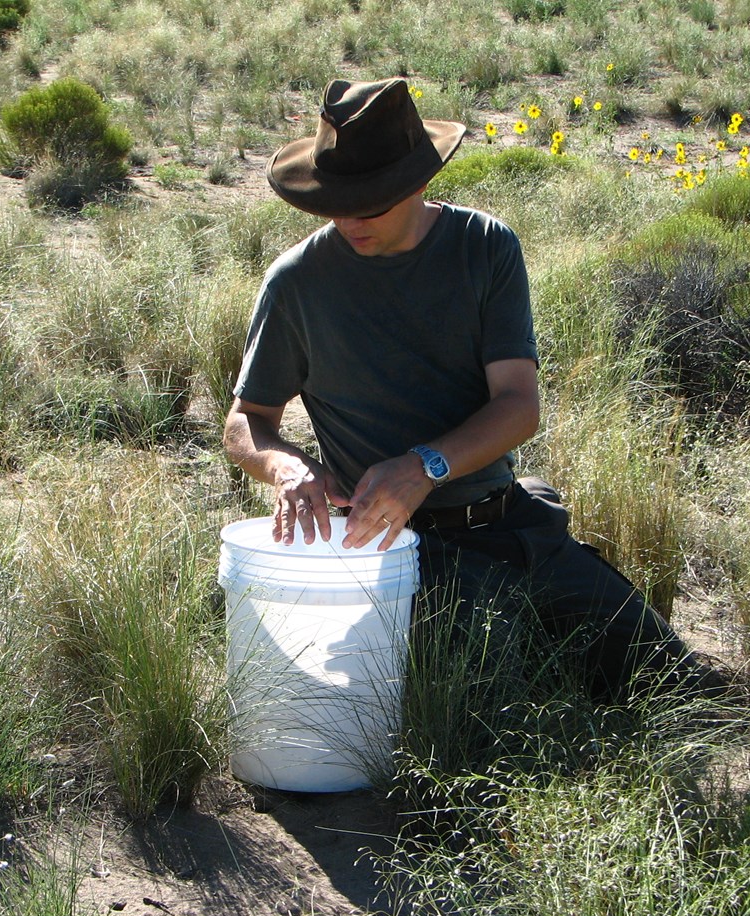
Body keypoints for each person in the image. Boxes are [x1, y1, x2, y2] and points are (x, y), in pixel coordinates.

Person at [223, 77, 701, 701]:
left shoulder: (486, 248)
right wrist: (287, 468)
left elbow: (518, 406)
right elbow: (245, 422)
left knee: (671, 683)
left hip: (510, 525)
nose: (349, 220)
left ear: (418, 183)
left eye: (370, 203)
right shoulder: (296, 282)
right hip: (400, 552)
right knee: (483, 727)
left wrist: (424, 465)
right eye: (336, 202)